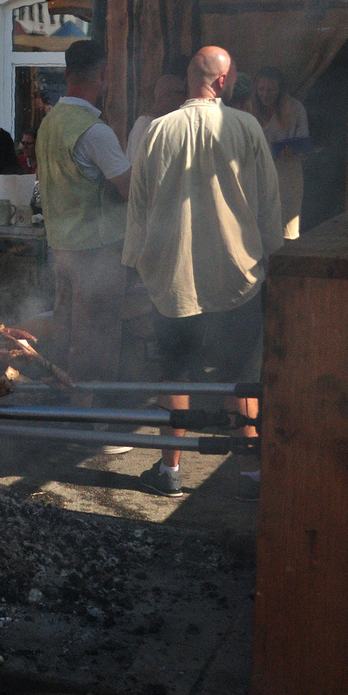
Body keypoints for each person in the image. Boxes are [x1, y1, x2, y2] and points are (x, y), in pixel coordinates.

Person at [123, 46, 282, 499]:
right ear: (225, 80)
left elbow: (138, 207)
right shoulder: (247, 127)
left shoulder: (157, 131)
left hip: (174, 278)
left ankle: (170, 470)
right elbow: (270, 202)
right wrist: (274, 254)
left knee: (176, 374)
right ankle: (251, 474)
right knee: (240, 375)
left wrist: (136, 264)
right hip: (238, 277)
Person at [35, 40, 132, 389]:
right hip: (96, 250)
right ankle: (92, 423)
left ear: (66, 72)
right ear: (104, 76)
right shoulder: (96, 131)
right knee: (99, 333)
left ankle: (63, 410)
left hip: (60, 247)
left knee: (65, 329)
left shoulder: (49, 124)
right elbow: (128, 188)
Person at [251, 67, 311, 239]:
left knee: (286, 226)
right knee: (260, 225)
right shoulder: (249, 109)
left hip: (287, 172)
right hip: (259, 173)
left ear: (280, 90)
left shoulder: (295, 108)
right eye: (261, 89)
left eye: (270, 89)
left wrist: (293, 151)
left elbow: (303, 141)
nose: (265, 94)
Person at [127, 57, 190, 166]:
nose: (185, 98)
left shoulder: (167, 123)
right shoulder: (144, 125)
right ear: (168, 95)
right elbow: (136, 166)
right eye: (183, 93)